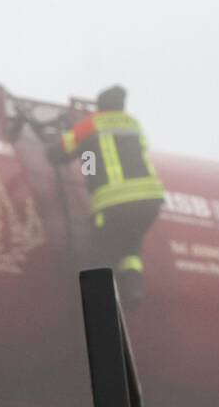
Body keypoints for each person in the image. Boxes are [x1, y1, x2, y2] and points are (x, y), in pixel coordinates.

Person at [49, 85, 164, 308]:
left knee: (102, 249)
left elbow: (59, 151)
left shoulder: (91, 124)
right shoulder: (132, 124)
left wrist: (51, 147)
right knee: (131, 247)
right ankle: (133, 290)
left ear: (99, 107)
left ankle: (100, 301)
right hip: (149, 200)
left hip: (115, 201)